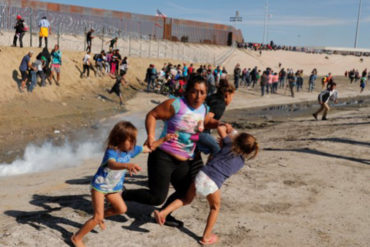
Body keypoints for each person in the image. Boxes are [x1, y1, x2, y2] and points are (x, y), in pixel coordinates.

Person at [123, 75, 220, 227]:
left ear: (206, 94)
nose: (198, 96)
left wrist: (220, 124)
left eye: (202, 92)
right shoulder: (176, 104)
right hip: (163, 156)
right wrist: (151, 136)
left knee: (186, 192)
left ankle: (165, 214)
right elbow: (152, 115)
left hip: (184, 160)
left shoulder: (204, 108)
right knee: (156, 197)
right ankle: (124, 194)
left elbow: (206, 122)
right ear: (187, 92)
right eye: (194, 92)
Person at [71, 121, 175, 247]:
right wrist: (127, 165)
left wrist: (164, 139)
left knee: (121, 209)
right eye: (130, 140)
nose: (133, 144)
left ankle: (101, 217)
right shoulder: (112, 151)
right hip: (99, 187)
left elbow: (148, 148)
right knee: (97, 217)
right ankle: (77, 237)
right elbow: (112, 164)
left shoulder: (130, 150)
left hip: (113, 188)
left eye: (134, 140)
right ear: (118, 139)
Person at [154, 125, 259, 245]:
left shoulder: (229, 144)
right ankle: (206, 236)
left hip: (201, 174)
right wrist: (228, 142)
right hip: (213, 182)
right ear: (250, 151)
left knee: (186, 199)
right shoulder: (240, 162)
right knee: (215, 208)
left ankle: (163, 213)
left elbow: (221, 129)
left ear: (237, 139)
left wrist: (230, 130)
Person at [197, 79, 235, 155]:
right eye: (232, 97)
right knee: (217, 149)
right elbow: (206, 120)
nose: (231, 99)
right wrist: (222, 124)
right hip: (199, 131)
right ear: (227, 94)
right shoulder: (220, 104)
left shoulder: (212, 96)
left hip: (193, 127)